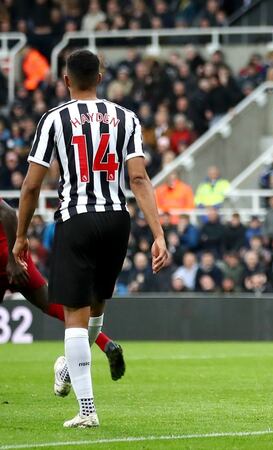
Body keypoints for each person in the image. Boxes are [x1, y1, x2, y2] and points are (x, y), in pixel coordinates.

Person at [15, 49, 170, 428]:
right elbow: (138, 179)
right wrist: (158, 233)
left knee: (74, 316)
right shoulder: (126, 118)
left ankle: (87, 411)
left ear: (66, 80)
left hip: (76, 219)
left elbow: (32, 186)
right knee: (96, 311)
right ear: (100, 77)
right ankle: (68, 368)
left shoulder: (53, 119)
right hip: (117, 220)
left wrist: (20, 235)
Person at [0, 199, 126, 379]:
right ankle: (106, 344)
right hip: (15, 257)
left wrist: (12, 261)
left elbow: (8, 212)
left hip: (10, 258)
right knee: (55, 306)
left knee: (60, 306)